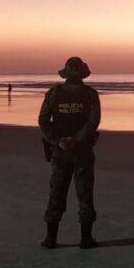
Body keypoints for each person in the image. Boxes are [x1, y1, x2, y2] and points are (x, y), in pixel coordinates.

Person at [38, 56, 101, 248]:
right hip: (81, 151)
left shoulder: (54, 93)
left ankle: (51, 238)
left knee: (57, 191)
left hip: (61, 151)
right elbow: (93, 123)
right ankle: (85, 239)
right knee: (85, 194)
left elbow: (43, 121)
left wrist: (59, 141)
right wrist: (75, 140)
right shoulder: (90, 94)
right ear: (82, 74)